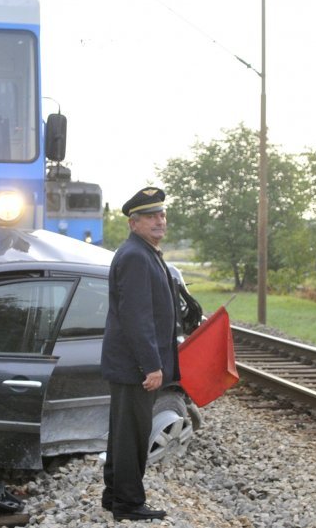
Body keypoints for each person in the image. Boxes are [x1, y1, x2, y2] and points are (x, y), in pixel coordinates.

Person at [100, 186, 181, 521]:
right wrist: (152, 365)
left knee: (123, 433)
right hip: (136, 365)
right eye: (150, 216)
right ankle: (129, 504)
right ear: (133, 223)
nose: (159, 221)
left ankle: (114, 495)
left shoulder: (144, 252)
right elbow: (137, 316)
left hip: (130, 363)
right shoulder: (136, 255)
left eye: (161, 214)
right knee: (132, 436)